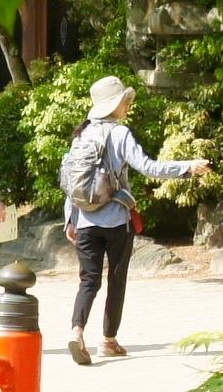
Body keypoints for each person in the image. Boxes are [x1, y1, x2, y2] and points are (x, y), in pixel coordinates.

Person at [58, 74, 211, 365]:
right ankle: (108, 340)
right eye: (125, 101)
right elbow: (148, 167)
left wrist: (70, 219)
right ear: (114, 104)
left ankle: (77, 332)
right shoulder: (119, 133)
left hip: (85, 221)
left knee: (88, 281)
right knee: (116, 279)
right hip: (116, 220)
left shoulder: (83, 133)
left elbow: (72, 182)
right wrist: (188, 166)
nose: (128, 106)